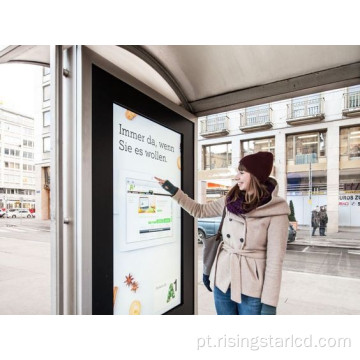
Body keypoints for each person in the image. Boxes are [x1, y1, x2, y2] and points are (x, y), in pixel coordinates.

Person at [155, 151, 289, 315]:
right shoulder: (230, 200)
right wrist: (174, 191)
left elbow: (275, 262)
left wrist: (269, 303)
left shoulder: (276, 210)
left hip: (252, 288)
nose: (236, 177)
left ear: (255, 175)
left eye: (241, 172)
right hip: (223, 281)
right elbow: (199, 210)